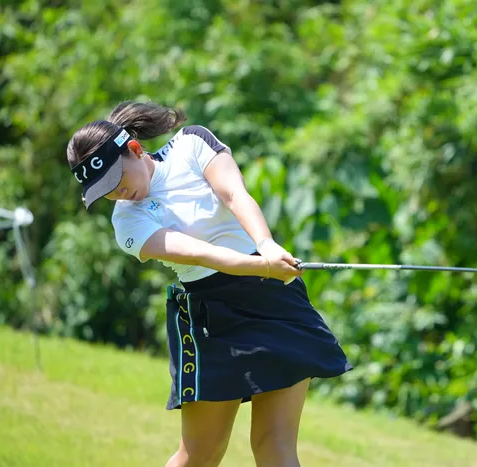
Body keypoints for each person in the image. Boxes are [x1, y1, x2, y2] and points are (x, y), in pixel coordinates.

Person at [66, 101, 353, 467]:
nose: (118, 194)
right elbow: (202, 254)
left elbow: (235, 195)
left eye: (117, 181)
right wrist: (263, 266)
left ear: (135, 150)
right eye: (105, 191)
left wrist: (266, 246)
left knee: (275, 447)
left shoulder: (192, 144)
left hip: (276, 301)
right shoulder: (127, 222)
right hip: (210, 317)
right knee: (201, 454)